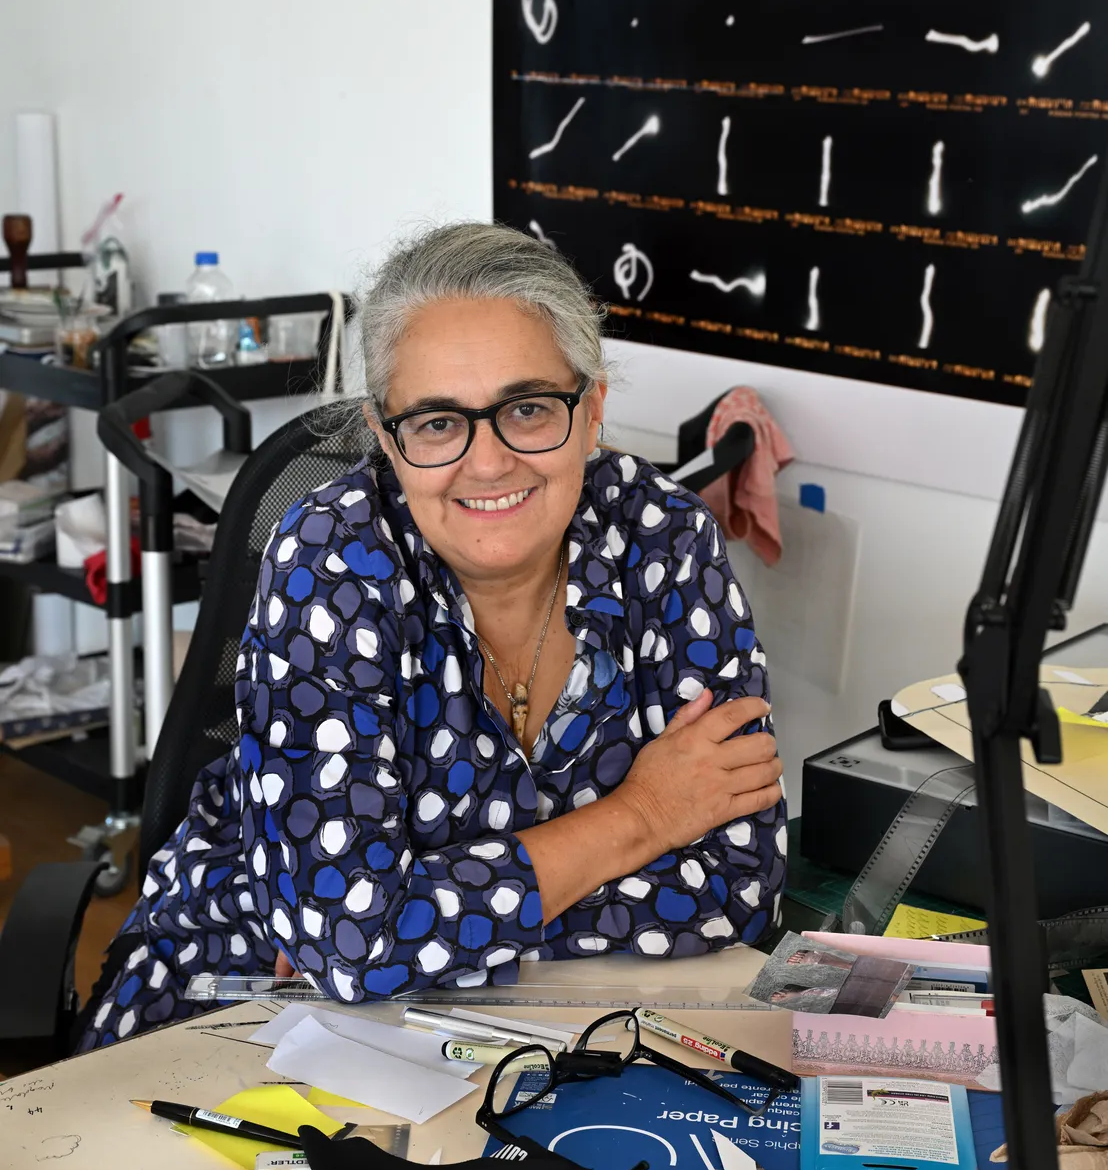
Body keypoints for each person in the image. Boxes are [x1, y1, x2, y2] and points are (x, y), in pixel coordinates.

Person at [78, 222, 785, 1049]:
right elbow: (347, 950)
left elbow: (739, 887)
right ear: (386, 438)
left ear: (590, 413)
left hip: (553, 1027)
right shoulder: (333, 558)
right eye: (439, 423)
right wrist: (643, 817)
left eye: (527, 409)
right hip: (242, 1004)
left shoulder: (663, 536)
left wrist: (415, 925)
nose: (487, 464)